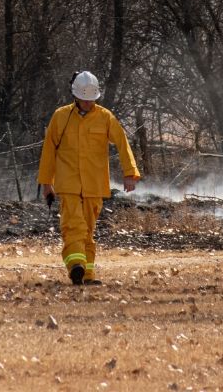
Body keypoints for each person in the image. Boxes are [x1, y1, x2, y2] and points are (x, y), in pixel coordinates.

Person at [37, 71, 140, 286]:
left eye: (91, 98)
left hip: (94, 185)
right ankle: (76, 266)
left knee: (88, 231)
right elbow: (48, 151)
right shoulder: (61, 117)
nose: (87, 102)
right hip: (69, 184)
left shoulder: (105, 117)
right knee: (74, 226)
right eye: (84, 98)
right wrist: (47, 183)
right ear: (75, 95)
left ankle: (87, 274)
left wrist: (130, 172)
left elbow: (122, 143)